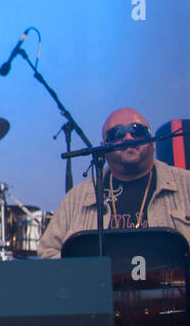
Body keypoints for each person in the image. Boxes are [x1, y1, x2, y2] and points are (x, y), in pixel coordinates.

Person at [38, 107, 190, 259]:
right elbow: (47, 252)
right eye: (117, 134)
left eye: (137, 131)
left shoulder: (186, 184)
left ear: (153, 143)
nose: (128, 138)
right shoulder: (76, 198)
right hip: (98, 283)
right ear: (103, 146)